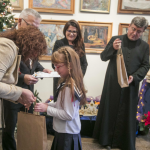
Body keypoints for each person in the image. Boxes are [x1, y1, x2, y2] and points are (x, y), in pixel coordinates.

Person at [93, 16, 149, 150]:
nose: (134, 33)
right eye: (133, 29)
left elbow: (146, 65)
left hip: (131, 86)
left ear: (143, 32)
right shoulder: (116, 39)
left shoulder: (144, 46)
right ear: (129, 26)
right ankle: (106, 140)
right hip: (113, 84)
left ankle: (123, 142)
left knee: (127, 112)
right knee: (110, 110)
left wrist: (134, 77)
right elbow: (103, 57)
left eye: (139, 31)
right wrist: (112, 48)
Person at [2, 9, 51, 150]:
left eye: (37, 28)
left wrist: (42, 69)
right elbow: (5, 73)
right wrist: (22, 79)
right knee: (9, 128)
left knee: (27, 126)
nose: (34, 30)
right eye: (31, 26)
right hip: (11, 94)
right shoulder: (8, 42)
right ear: (20, 21)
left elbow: (33, 61)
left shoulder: (31, 40)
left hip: (27, 92)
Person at [34, 46, 87, 150]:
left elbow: (68, 114)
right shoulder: (68, 82)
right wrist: (47, 105)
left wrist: (47, 109)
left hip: (67, 135)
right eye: (54, 66)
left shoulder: (68, 88)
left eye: (58, 66)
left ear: (70, 65)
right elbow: (62, 104)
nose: (55, 69)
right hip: (65, 132)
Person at [52, 19, 88, 102]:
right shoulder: (59, 43)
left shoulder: (80, 45)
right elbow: (54, 63)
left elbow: (84, 63)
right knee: (60, 102)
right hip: (61, 79)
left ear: (77, 33)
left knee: (73, 103)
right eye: (69, 31)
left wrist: (78, 76)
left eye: (74, 31)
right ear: (65, 31)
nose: (71, 34)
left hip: (76, 80)